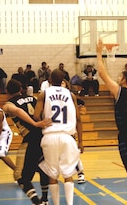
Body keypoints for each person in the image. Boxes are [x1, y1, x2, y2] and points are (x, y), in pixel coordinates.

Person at [96, 39, 127, 205]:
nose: (118, 77)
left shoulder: (119, 91)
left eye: (120, 76)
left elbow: (102, 74)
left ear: (124, 80)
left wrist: (98, 53)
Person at [34, 69, 84, 205]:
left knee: (52, 174)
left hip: (50, 136)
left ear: (50, 80)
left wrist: (43, 122)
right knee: (68, 174)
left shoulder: (44, 94)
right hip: (67, 137)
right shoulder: (71, 95)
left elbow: (36, 116)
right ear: (63, 80)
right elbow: (79, 119)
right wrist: (81, 142)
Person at [3, 79, 52, 205]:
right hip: (44, 136)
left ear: (7, 91)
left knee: (20, 176)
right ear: (20, 90)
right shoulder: (33, 98)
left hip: (30, 139)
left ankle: (37, 202)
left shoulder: (8, 104)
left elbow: (19, 111)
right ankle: (45, 199)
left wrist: (35, 124)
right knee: (42, 168)